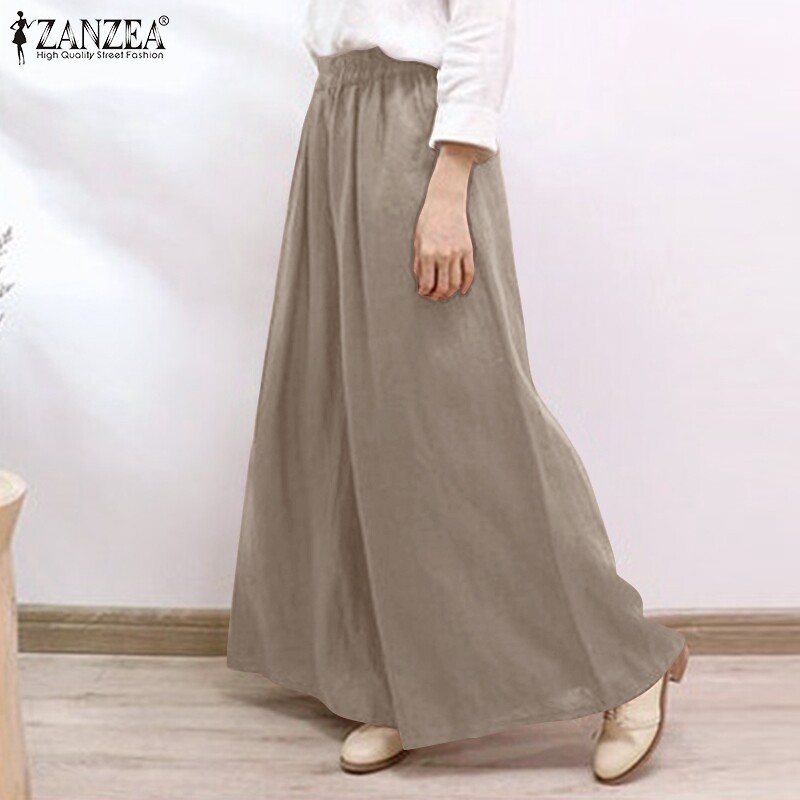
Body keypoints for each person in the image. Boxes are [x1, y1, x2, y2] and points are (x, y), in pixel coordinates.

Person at [227, 0, 689, 784]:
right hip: (336, 120)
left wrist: (448, 187)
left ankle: (626, 663)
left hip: (418, 137)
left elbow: (482, 21)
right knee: (362, 419)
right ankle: (400, 682)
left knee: (465, 420)